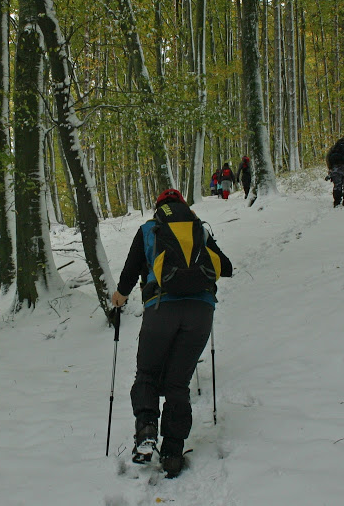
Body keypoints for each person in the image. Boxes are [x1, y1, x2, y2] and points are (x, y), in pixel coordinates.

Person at [112, 189, 233, 478]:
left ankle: (146, 432)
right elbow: (226, 267)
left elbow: (130, 271)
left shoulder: (149, 229)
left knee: (147, 374)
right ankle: (173, 453)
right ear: (183, 206)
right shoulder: (199, 229)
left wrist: (120, 296)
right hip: (201, 312)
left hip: (161, 309)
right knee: (178, 383)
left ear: (159, 208)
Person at [325, 135, 344, 207]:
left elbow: (327, 156)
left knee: (337, 185)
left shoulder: (335, 146)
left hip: (335, 168)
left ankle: (336, 201)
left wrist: (330, 167)